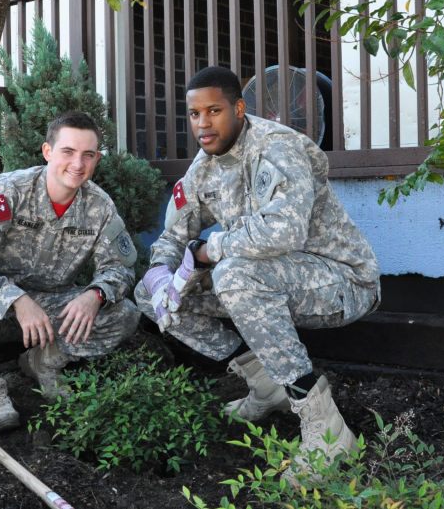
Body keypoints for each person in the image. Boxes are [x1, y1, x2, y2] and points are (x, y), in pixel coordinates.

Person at [135, 66, 381, 478]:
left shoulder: (277, 146)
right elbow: (173, 235)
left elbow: (284, 231)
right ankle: (265, 386)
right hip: (269, 279)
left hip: (342, 282)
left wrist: (210, 249)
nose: (203, 124)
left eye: (214, 111)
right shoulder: (204, 167)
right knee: (148, 294)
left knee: (235, 274)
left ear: (240, 107)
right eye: (194, 114)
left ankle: (329, 434)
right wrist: (160, 271)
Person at [0, 110, 140, 433]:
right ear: (48, 152)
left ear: (96, 159)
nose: (78, 164)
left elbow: (120, 269)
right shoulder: (7, 191)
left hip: (50, 304)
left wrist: (95, 295)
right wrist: (15, 299)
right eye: (68, 152)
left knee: (125, 314)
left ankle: (44, 361)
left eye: (88, 155)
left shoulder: (100, 206)